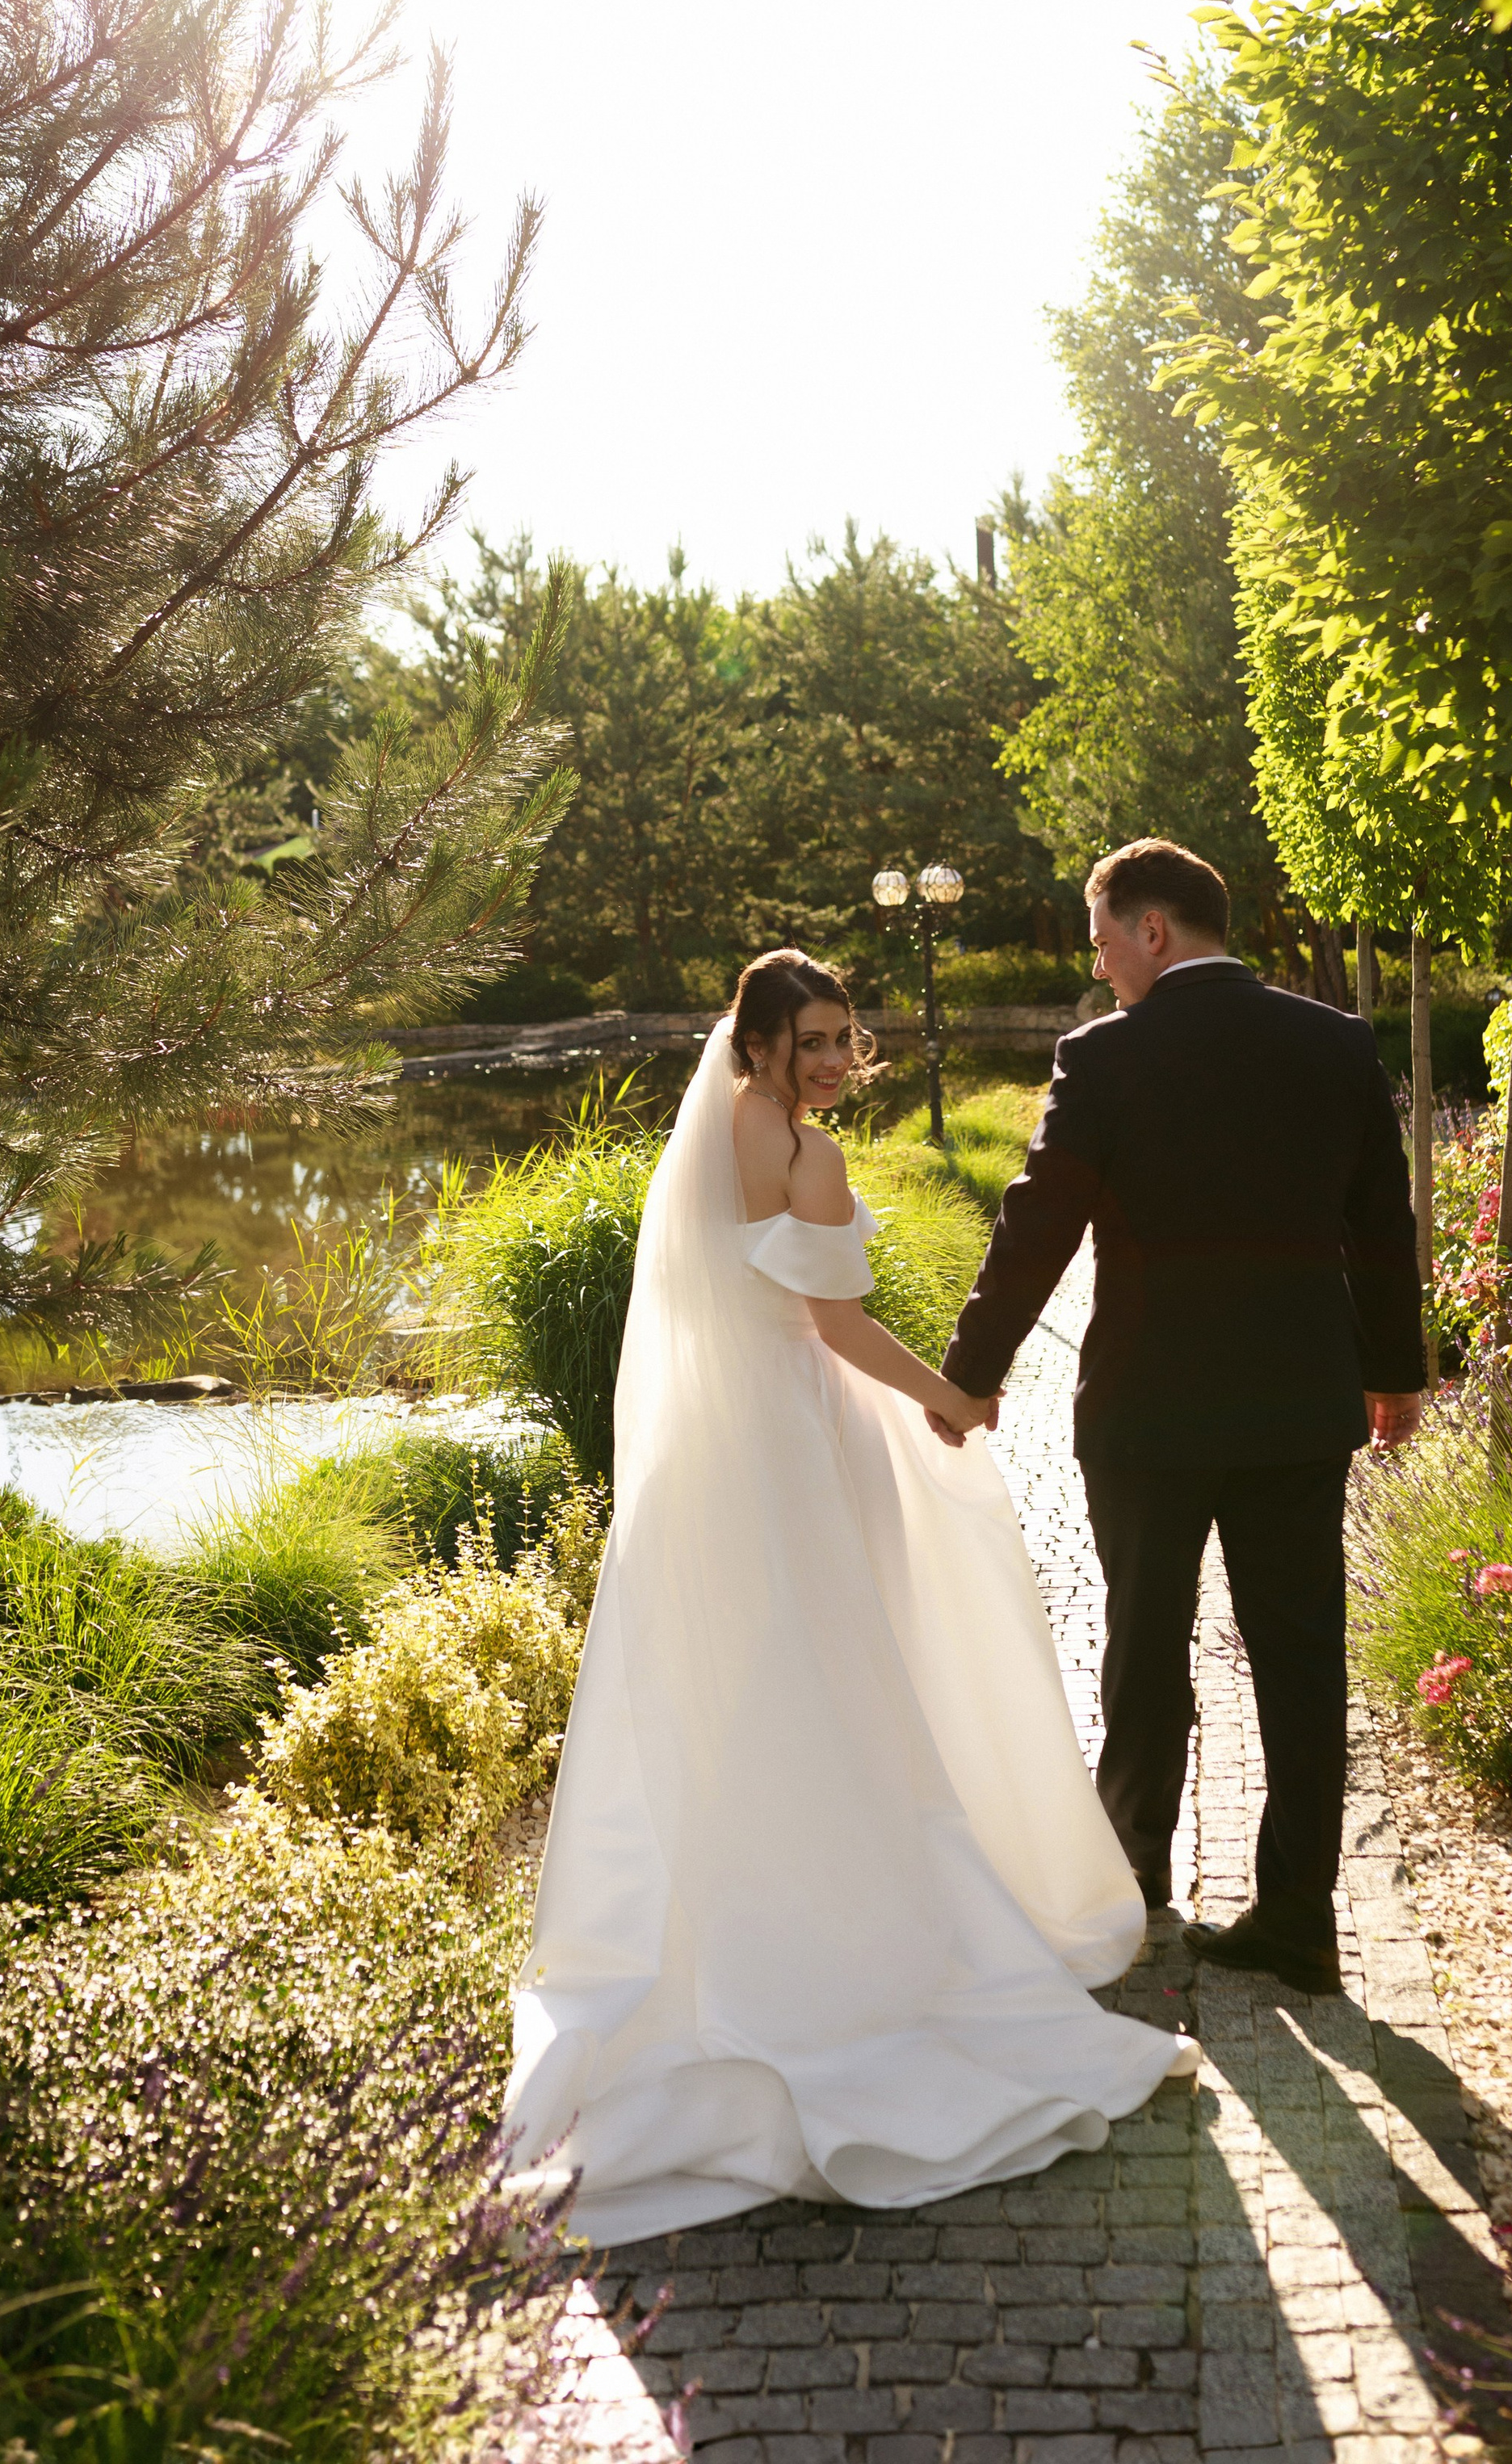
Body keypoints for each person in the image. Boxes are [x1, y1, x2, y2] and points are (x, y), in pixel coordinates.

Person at [502, 948, 1195, 2247]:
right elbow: (835, 1329)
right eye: (808, 1039)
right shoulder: (806, 1158)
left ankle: (725, 1925)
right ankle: (854, 1941)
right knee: (846, 1680)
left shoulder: (715, 1128)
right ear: (756, 1039)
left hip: (710, 1459)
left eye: (840, 1036)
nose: (830, 1060)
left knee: (749, 1687)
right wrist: (950, 1394)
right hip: (800, 1447)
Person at [938, 839, 1425, 1999]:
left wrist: (973, 1370)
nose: (1101, 967)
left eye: (1105, 939)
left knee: (1145, 1652)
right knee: (1303, 1659)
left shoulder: (1104, 1059)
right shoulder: (1337, 1042)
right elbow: (1383, 1224)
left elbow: (1035, 1223)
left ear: (1154, 929)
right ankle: (1301, 1921)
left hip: (1150, 1413)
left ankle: (1135, 1890)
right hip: (1300, 1407)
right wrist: (1396, 1373)